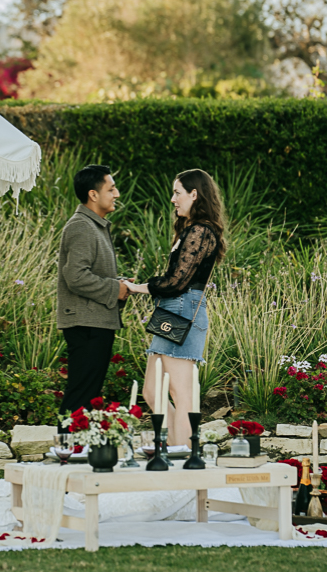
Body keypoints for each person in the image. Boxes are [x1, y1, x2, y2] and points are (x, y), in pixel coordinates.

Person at [125, 169, 227, 447]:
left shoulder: (200, 231)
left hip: (182, 309)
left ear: (194, 194)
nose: (173, 199)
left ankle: (184, 459)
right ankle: (176, 446)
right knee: (152, 391)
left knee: (181, 394)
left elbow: (176, 282)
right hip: (173, 310)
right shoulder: (191, 231)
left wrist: (137, 287)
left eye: (177, 192)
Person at [56, 165, 131, 427]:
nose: (117, 194)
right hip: (86, 324)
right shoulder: (81, 227)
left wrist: (119, 284)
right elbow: (75, 276)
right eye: (111, 189)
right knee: (80, 395)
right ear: (93, 195)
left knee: (87, 395)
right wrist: (115, 289)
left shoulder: (94, 226)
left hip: (95, 322)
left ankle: (78, 452)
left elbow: (87, 273)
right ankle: (66, 449)